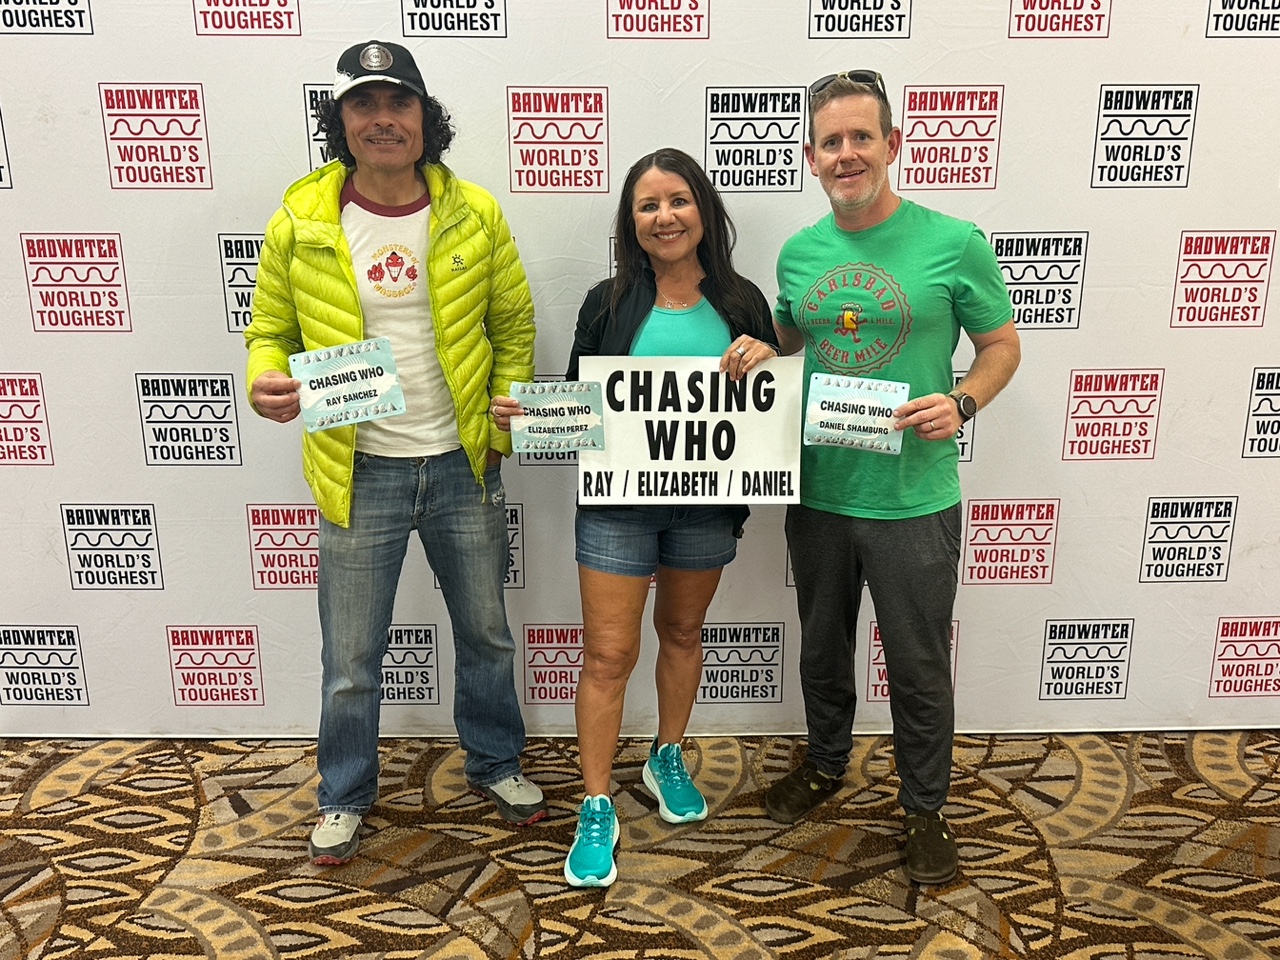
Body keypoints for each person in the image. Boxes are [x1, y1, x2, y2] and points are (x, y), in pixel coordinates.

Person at [244, 40, 544, 866]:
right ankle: (343, 794)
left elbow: (513, 325)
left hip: (461, 466)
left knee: (487, 636)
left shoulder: (474, 213)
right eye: (364, 105)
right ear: (340, 122)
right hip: (358, 472)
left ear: (424, 117)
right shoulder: (301, 220)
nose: (383, 119)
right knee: (350, 658)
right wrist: (264, 378)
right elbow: (270, 330)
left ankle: (495, 763)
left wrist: (503, 417)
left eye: (398, 102)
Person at [495, 148, 778, 888]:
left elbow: (769, 403)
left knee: (683, 633)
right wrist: (532, 416)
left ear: (704, 210)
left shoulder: (743, 300)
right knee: (607, 655)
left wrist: (767, 351)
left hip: (708, 506)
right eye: (647, 205)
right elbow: (578, 402)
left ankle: (666, 756)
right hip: (618, 507)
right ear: (631, 222)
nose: (664, 216)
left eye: (678, 200)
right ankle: (596, 803)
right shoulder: (607, 300)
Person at [767, 71, 1021, 885]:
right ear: (811, 157)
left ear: (893, 145)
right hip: (818, 492)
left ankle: (924, 807)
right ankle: (825, 764)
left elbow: (1002, 345)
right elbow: (789, 341)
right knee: (821, 649)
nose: (847, 154)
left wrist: (964, 400)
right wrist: (760, 352)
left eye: (861, 138)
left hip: (914, 498)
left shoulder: (955, 242)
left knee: (916, 664)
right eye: (831, 142)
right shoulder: (798, 254)